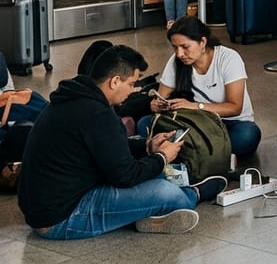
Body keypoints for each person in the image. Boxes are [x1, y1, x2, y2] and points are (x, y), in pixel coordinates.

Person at [19, 45, 225, 239]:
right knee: (166, 192)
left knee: (157, 173)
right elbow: (125, 176)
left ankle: (146, 214)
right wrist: (162, 157)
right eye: (132, 84)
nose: (133, 91)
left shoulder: (76, 97)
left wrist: (146, 146)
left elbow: (105, 148)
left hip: (51, 204)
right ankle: (192, 194)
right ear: (115, 81)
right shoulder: (97, 114)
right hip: (61, 219)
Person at [142, 17, 262, 158]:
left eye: (185, 47)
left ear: (203, 42)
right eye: (175, 47)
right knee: (144, 123)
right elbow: (162, 95)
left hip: (231, 123)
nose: (180, 54)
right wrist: (157, 104)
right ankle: (208, 150)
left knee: (248, 136)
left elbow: (234, 108)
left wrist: (194, 106)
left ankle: (189, 149)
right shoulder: (176, 61)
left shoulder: (228, 58)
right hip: (196, 123)